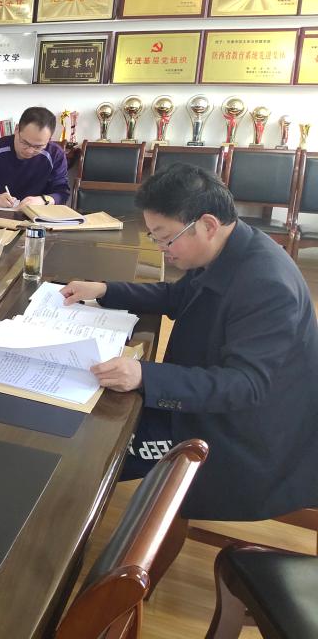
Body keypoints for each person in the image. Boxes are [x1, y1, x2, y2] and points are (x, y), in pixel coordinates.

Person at [61, 163, 318, 521]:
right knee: (95, 413)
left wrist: (144, 375)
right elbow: (178, 296)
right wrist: (105, 290)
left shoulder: (267, 285)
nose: (161, 248)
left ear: (208, 225)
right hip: (210, 402)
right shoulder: (230, 246)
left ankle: (57, 531)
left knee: (93, 448)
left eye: (165, 237)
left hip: (241, 437)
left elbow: (245, 385)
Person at [0, 106, 70, 208]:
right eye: (25, 142)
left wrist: (43, 200)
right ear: (17, 129)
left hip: (36, 216)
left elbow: (62, 193)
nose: (30, 151)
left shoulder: (55, 155)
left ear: (49, 139)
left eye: (38, 147)